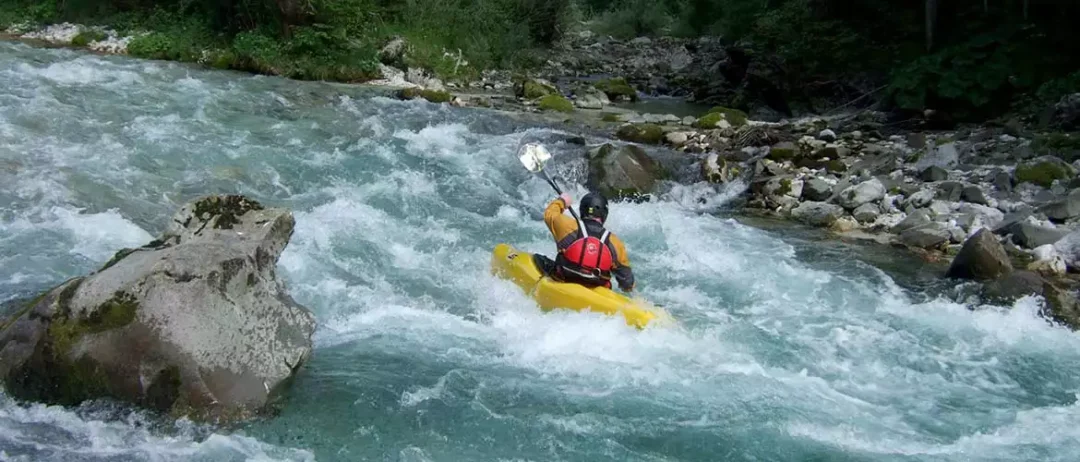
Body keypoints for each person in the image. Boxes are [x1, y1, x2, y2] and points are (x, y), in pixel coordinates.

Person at [535, 191, 635, 293]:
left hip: (564, 281)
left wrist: (562, 201)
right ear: (604, 214)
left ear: (582, 210)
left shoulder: (566, 226)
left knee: (538, 259)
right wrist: (627, 288)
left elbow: (549, 214)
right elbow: (627, 282)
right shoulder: (614, 242)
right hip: (597, 292)